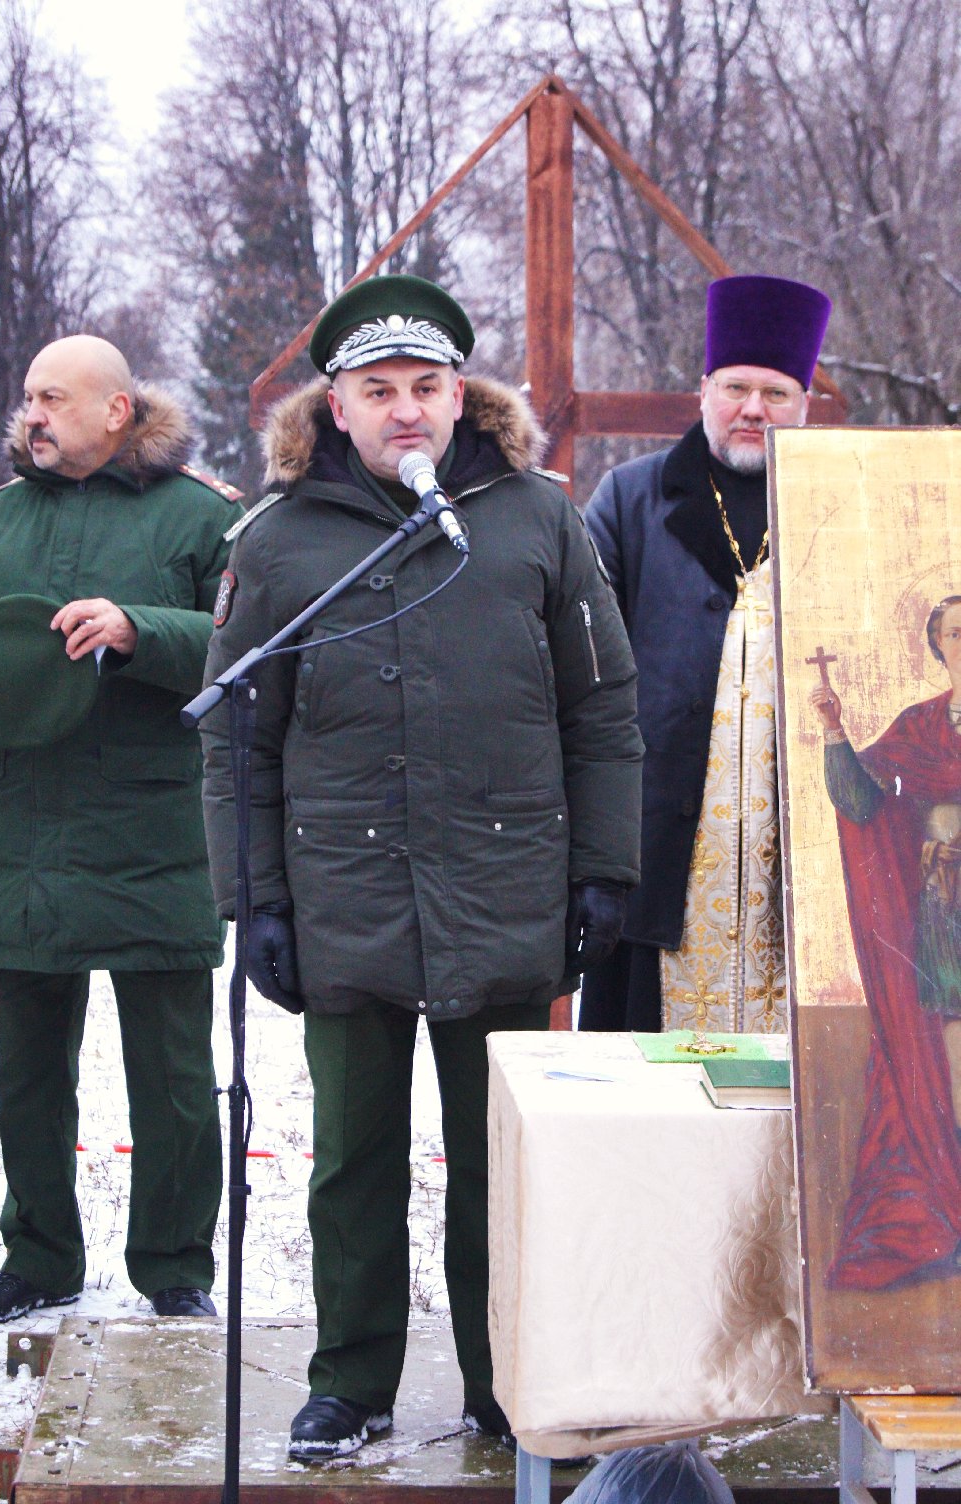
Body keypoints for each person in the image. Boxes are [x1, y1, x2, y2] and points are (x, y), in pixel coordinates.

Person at [200, 274, 644, 1460]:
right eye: (378, 389)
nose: (405, 410)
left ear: (460, 397)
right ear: (336, 406)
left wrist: (602, 869)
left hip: (507, 891)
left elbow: (603, 706)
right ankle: (351, 1381)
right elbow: (237, 737)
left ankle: (508, 1377)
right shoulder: (277, 540)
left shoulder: (538, 520)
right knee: (352, 1159)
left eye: (426, 387)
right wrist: (257, 901)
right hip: (343, 899)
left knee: (501, 1160)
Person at [0, 335, 241, 1325]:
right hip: (21, 832)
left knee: (173, 1076)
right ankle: (38, 1257)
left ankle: (175, 1267)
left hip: (155, 830)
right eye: (29, 398)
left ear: (118, 410)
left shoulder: (203, 517)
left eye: (55, 398)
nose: (32, 415)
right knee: (27, 1070)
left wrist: (138, 628)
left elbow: (254, 647)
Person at [579, 274, 832, 1036]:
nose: (754, 409)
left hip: (804, 863)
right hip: (658, 851)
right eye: (736, 388)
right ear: (703, 392)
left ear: (805, 405)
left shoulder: (837, 507)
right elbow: (578, 676)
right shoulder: (630, 500)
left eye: (776, 393)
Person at [809, 596, 961, 1289]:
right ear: (938, 648)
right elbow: (862, 801)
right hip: (945, 918)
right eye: (955, 634)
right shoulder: (920, 728)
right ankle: (947, 1208)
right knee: (946, 1059)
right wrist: (834, 732)